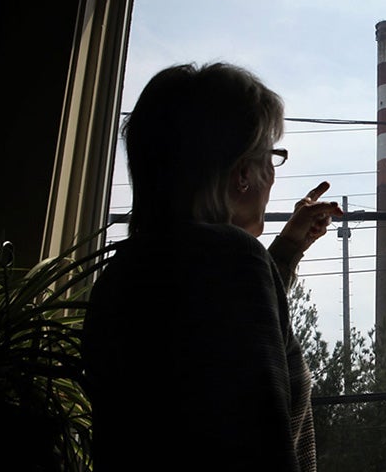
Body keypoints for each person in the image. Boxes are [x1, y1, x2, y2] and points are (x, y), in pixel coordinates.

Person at [82, 62, 343, 471]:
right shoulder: (232, 262)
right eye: (271, 157)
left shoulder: (125, 272)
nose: (273, 176)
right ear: (242, 173)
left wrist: (289, 246)